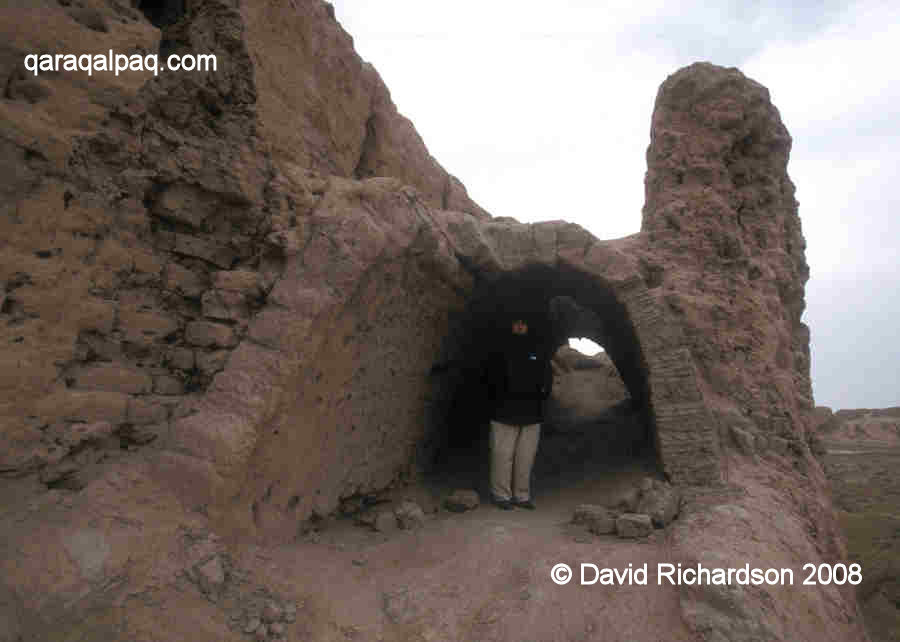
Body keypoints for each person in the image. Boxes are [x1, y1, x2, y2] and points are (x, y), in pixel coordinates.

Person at [482, 317, 554, 509]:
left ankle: (522, 496)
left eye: (524, 322)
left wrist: (543, 395)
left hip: (532, 412)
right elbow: (488, 378)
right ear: (510, 324)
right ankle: (501, 496)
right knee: (502, 455)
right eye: (516, 322)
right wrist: (497, 400)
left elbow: (547, 376)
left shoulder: (538, 349)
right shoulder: (499, 349)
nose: (520, 325)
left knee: (525, 457)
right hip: (504, 411)